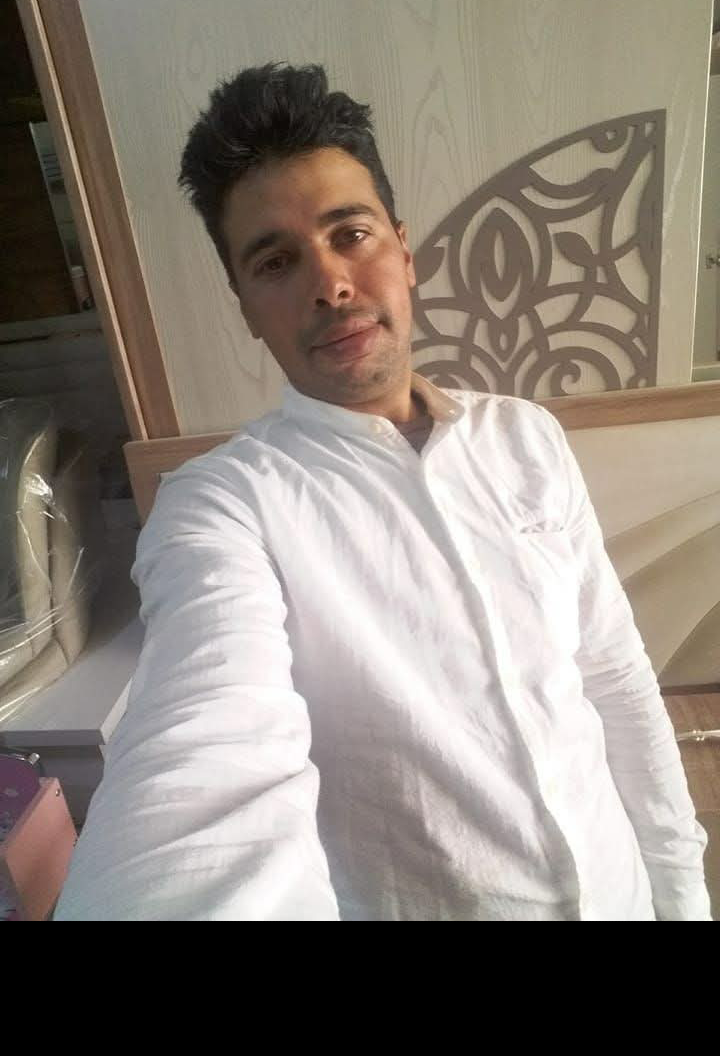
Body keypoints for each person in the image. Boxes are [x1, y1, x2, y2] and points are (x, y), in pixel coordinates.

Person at [54, 62, 711, 921]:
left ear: (405, 251)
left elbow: (615, 679)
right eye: (276, 261)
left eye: (351, 234)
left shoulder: (527, 438)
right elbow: (205, 753)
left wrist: (683, 893)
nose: (329, 284)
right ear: (246, 307)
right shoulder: (222, 507)